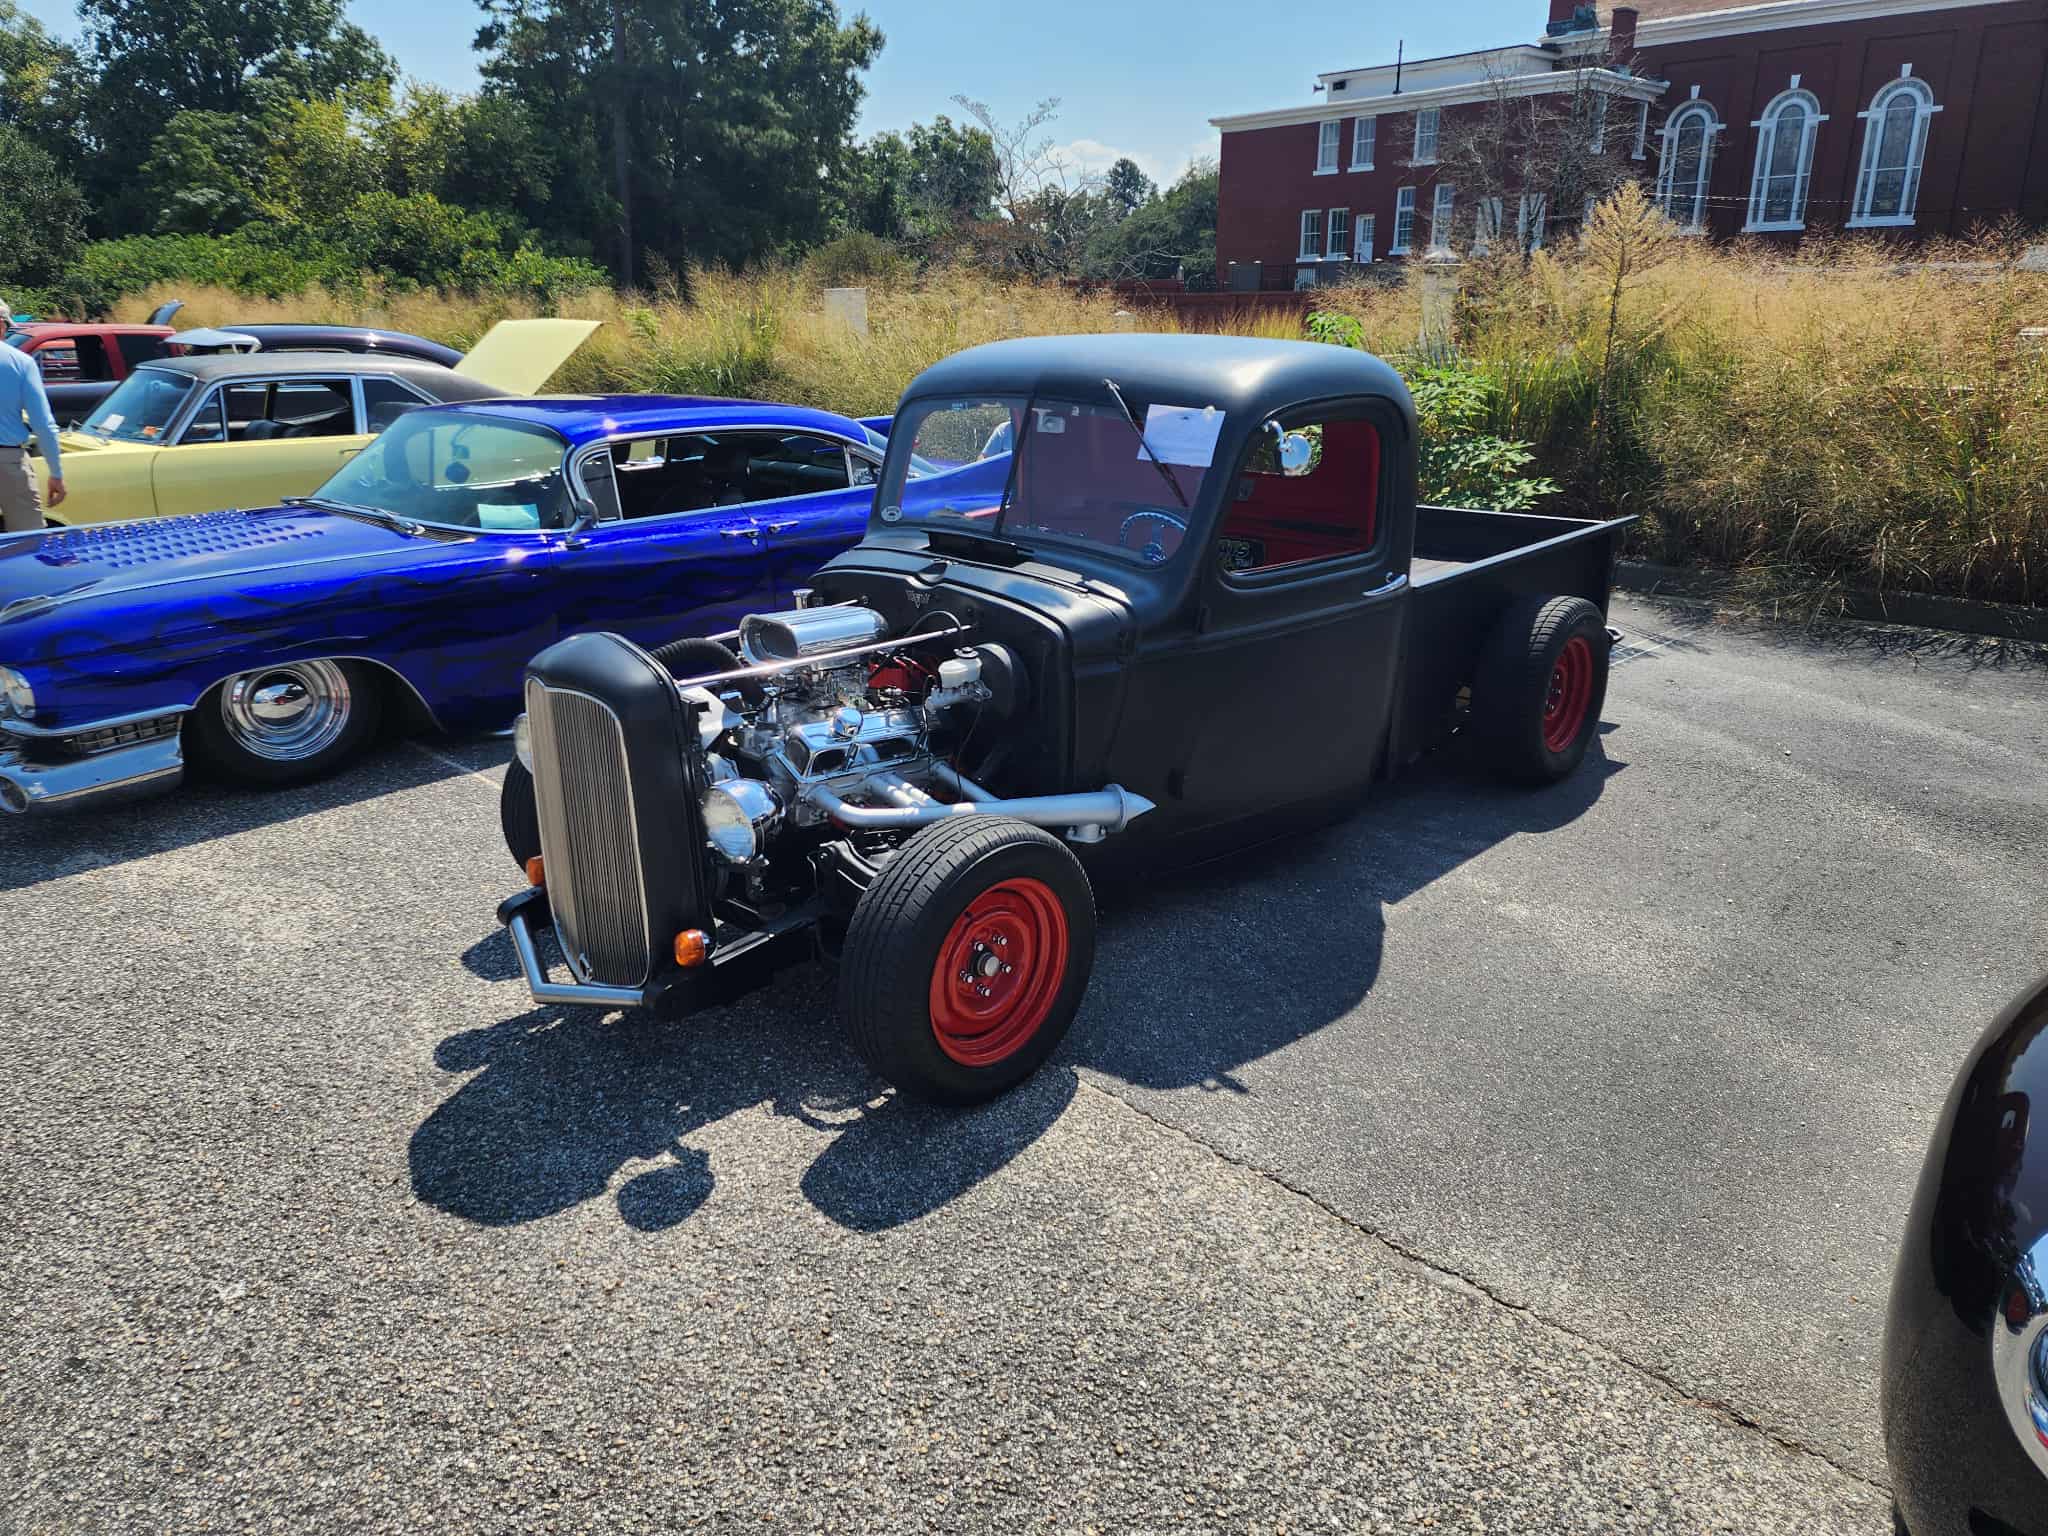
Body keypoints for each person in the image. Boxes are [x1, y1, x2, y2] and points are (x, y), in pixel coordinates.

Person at [0, 313, 66, 533]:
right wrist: (56, 473)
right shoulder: (20, 362)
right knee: (27, 539)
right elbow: (43, 424)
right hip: (8, 461)